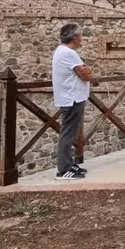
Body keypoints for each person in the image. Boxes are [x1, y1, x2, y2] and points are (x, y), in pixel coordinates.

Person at [51, 23, 92, 180]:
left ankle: (68, 163)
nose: (81, 39)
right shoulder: (69, 54)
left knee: (69, 133)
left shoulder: (61, 51)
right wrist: (89, 71)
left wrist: (87, 70)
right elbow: (86, 75)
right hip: (72, 98)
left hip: (70, 97)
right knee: (67, 134)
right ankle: (63, 169)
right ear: (75, 37)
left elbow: (84, 71)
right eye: (80, 36)